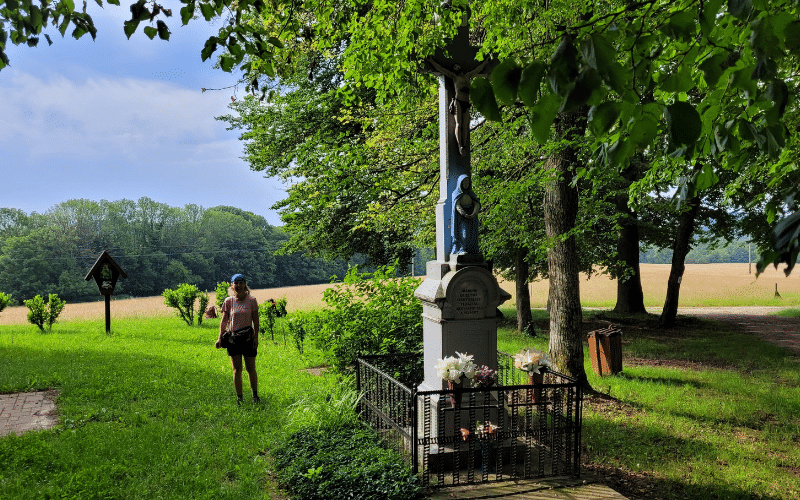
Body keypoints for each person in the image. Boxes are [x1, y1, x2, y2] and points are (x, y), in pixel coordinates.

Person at [215, 274, 260, 405]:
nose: (239, 285)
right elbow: (224, 321)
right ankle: (239, 398)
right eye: (236, 283)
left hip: (248, 339)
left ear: (245, 285)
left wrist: (256, 337)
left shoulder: (252, 300)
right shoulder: (228, 301)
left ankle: (255, 396)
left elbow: (256, 321)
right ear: (232, 286)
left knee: (251, 368)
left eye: (241, 283)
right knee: (236, 369)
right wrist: (219, 338)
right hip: (233, 339)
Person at [450, 174, 481, 255]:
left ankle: (472, 249)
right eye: (464, 182)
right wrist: (464, 214)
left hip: (472, 216)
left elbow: (476, 203)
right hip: (462, 218)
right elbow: (457, 205)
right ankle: (462, 248)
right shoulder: (456, 193)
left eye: (467, 182)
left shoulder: (471, 193)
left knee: (472, 234)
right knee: (464, 233)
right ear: (460, 183)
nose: (466, 184)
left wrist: (474, 212)